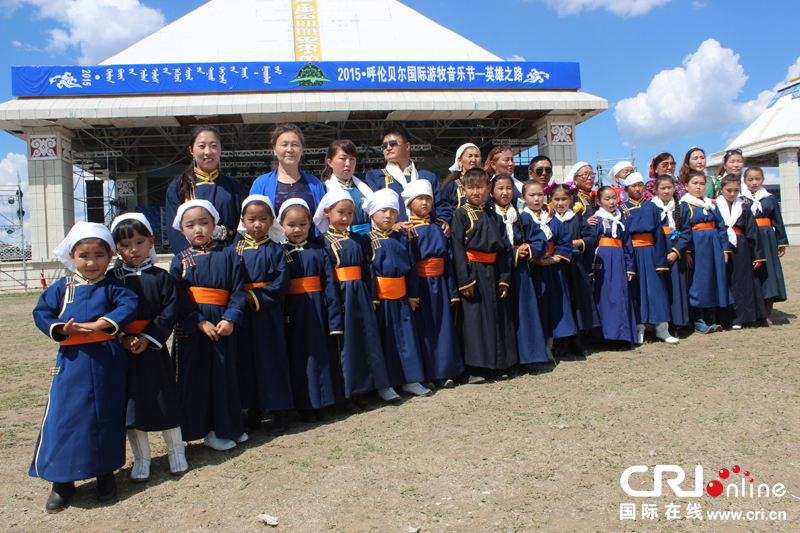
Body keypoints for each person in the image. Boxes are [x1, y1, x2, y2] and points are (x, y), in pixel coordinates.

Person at [32, 222, 138, 512]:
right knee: (64, 419)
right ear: (72, 256)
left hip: (107, 360)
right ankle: (62, 482)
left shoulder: (115, 286)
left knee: (105, 416)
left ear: (110, 256)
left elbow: (129, 305)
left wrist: (101, 324)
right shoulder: (61, 288)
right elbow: (41, 313)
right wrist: (60, 328)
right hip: (72, 361)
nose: (92, 262)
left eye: (99, 255)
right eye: (84, 255)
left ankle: (106, 475)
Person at [108, 214, 187, 482]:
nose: (133, 250)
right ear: (116, 247)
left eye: (139, 242)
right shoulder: (112, 278)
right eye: (125, 244)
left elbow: (170, 310)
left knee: (166, 400)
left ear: (151, 241)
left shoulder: (161, 276)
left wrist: (149, 336)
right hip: (124, 352)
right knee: (132, 406)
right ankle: (142, 459)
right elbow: (104, 310)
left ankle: (177, 452)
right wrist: (121, 337)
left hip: (153, 349)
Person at [170, 199, 248, 451]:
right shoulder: (179, 260)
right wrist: (198, 321)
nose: (198, 229)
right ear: (182, 229)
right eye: (190, 225)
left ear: (215, 224)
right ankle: (207, 431)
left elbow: (238, 289)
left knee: (225, 376)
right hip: (194, 330)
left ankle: (230, 427)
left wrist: (230, 318)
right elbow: (178, 297)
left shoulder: (229, 254)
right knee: (199, 379)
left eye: (204, 223)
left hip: (223, 326)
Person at [315, 190, 397, 406]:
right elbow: (325, 275)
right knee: (346, 344)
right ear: (327, 212)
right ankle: (346, 393)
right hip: (340, 296)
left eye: (350, 213)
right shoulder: (320, 242)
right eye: (340, 212)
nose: (345, 218)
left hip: (360, 294)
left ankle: (369, 387)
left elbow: (368, 268)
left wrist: (373, 297)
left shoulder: (359, 239)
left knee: (366, 339)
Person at [279, 198, 344, 421]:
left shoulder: (319, 250)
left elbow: (329, 286)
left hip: (318, 311)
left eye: (303, 224)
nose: (298, 230)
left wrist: (333, 319)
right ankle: (304, 404)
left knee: (321, 355)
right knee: (299, 358)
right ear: (281, 224)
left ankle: (325, 401)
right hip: (293, 312)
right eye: (291, 225)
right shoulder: (279, 253)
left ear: (311, 224)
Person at [450, 168, 518, 382]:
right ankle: (475, 369)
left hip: (493, 273)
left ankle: (498, 364)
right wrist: (465, 280)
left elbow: (505, 250)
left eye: (480, 187)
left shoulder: (494, 216)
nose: (476, 192)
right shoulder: (460, 214)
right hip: (473, 273)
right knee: (475, 322)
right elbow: (457, 249)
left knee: (497, 319)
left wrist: (504, 278)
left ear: (488, 189)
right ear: (464, 190)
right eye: (471, 188)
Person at [234, 195, 293, 436]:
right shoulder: (234, 249)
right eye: (251, 219)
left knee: (272, 359)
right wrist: (239, 298)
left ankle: (280, 412)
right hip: (243, 315)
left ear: (271, 221)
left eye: (262, 219)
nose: (257, 224)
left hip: (267, 314)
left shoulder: (276, 250)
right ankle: (253, 411)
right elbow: (229, 279)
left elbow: (282, 281)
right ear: (242, 221)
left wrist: (256, 297)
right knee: (246, 361)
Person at [365, 189, 432, 397]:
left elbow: (411, 268)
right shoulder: (366, 240)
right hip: (381, 300)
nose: (388, 216)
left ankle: (411, 380)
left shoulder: (402, 238)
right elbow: (367, 272)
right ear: (371, 215)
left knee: (407, 339)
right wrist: (373, 299)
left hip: (402, 299)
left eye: (393, 212)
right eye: (383, 211)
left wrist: (412, 296)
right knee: (386, 342)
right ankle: (386, 385)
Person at [402, 180, 464, 388]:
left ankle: (444, 371)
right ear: (410, 204)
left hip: (440, 286)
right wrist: (411, 293)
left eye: (428, 199)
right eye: (420, 199)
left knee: (443, 328)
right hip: (420, 287)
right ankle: (426, 373)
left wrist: (452, 290)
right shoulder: (407, 232)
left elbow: (449, 261)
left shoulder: (439, 229)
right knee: (424, 330)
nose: (425, 203)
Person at [491, 175, 548, 365]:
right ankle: (508, 360)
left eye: (509, 188)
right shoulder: (489, 216)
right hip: (496, 271)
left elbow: (541, 241)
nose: (505, 192)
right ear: (491, 192)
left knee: (524, 313)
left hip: (521, 271)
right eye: (500, 188)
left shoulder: (522, 217)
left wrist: (528, 249)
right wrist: (511, 255)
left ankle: (529, 356)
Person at [165, 125, 248, 253]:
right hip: (194, 257)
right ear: (191, 150)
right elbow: (174, 230)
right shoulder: (179, 186)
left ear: (221, 149)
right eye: (201, 146)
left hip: (229, 254)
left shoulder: (234, 186)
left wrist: (235, 254)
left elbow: (244, 224)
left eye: (214, 146)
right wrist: (190, 257)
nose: (208, 152)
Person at [620, 173, 679, 344]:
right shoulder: (622, 208)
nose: (637, 189)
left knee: (657, 291)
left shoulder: (652, 207)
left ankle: (662, 329)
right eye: (633, 186)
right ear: (626, 189)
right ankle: (639, 329)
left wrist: (660, 260)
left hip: (652, 252)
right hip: (633, 254)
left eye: (640, 185)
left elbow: (659, 235)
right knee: (636, 292)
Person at [523, 180, 578, 360]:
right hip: (531, 270)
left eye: (540, 194)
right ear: (523, 198)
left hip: (553, 270)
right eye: (532, 195)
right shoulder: (521, 219)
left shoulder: (552, 219)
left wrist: (555, 258)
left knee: (554, 307)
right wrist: (535, 258)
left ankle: (550, 346)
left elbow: (565, 240)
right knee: (536, 308)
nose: (536, 199)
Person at [675, 171, 733, 333]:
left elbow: (721, 227)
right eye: (695, 183)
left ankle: (712, 319)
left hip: (714, 247)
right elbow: (683, 230)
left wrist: (725, 249)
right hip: (697, 248)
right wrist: (686, 252)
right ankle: (699, 319)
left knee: (715, 280)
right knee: (699, 283)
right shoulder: (685, 205)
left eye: (702, 183)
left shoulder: (711, 205)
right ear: (686, 186)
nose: (699, 187)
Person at [364, 125, 451, 232]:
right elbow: (372, 209)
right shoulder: (375, 176)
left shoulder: (428, 177)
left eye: (393, 143)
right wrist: (393, 225)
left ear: (407, 146)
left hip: (425, 238)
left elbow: (441, 205)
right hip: (394, 238)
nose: (388, 148)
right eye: (384, 145)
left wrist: (443, 222)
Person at [549, 184, 600, 354]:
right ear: (551, 201)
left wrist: (577, 243)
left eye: (564, 199)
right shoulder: (549, 219)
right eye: (556, 199)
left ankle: (577, 341)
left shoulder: (577, 219)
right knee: (560, 302)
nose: (560, 203)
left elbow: (590, 238)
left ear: (571, 200)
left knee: (577, 301)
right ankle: (560, 342)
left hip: (575, 266)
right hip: (556, 266)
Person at [716, 175, 767, 329]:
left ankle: (743, 317)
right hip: (720, 245)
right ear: (721, 189)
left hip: (741, 247)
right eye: (729, 190)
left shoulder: (744, 207)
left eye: (736, 190)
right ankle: (725, 318)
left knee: (743, 282)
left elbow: (753, 232)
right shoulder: (714, 206)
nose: (732, 194)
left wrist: (757, 255)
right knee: (725, 281)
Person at [590, 186, 638, 347]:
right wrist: (591, 267)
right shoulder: (596, 219)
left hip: (619, 262)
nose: (611, 202)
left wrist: (630, 266)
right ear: (598, 201)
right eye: (606, 198)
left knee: (620, 297)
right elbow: (591, 244)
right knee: (603, 297)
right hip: (602, 262)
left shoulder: (622, 219)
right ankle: (603, 336)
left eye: (614, 198)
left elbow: (628, 245)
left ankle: (622, 335)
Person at [249, 123, 326, 218]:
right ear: (274, 150)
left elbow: (324, 219)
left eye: (295, 144)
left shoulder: (315, 183)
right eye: (284, 145)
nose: (289, 149)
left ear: (302, 150)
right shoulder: (261, 183)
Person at [742, 167, 788, 325]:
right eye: (750, 179)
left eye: (758, 179)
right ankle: (754, 312)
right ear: (744, 181)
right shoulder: (742, 199)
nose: (754, 183)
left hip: (767, 237)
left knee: (769, 274)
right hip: (750, 238)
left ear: (762, 179)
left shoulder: (770, 198)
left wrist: (781, 242)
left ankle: (768, 312)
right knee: (752, 273)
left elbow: (778, 221)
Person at [650, 175, 690, 329]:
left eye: (669, 187)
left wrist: (676, 252)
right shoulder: (652, 207)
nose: (667, 191)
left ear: (675, 188)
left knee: (676, 286)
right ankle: (661, 323)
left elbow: (686, 233)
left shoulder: (682, 207)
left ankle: (677, 323)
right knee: (661, 287)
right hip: (658, 250)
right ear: (656, 190)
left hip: (675, 251)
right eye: (663, 188)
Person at [321, 139, 374, 234]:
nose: (348, 163)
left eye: (352, 159)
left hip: (369, 239)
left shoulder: (366, 187)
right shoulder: (324, 189)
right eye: (343, 158)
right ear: (330, 162)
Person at [441, 143, 482, 213]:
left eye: (477, 156)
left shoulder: (487, 184)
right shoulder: (451, 186)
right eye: (469, 156)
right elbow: (444, 210)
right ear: (459, 161)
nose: (474, 159)